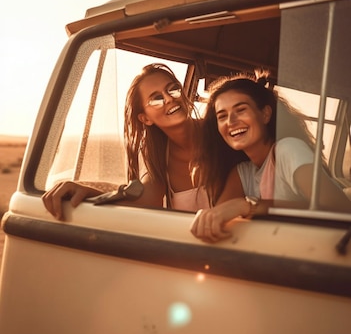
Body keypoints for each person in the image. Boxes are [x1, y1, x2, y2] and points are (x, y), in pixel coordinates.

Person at [190, 72, 351, 242]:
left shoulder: (288, 149)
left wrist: (247, 206)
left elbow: (339, 209)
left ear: (265, 114)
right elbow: (217, 220)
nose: (231, 121)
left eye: (241, 109)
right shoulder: (243, 172)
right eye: (222, 116)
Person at [42, 63, 209, 219]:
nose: (169, 99)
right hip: (190, 247)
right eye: (156, 99)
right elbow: (147, 201)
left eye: (173, 90)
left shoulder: (217, 131)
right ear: (145, 118)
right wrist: (87, 192)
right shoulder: (155, 153)